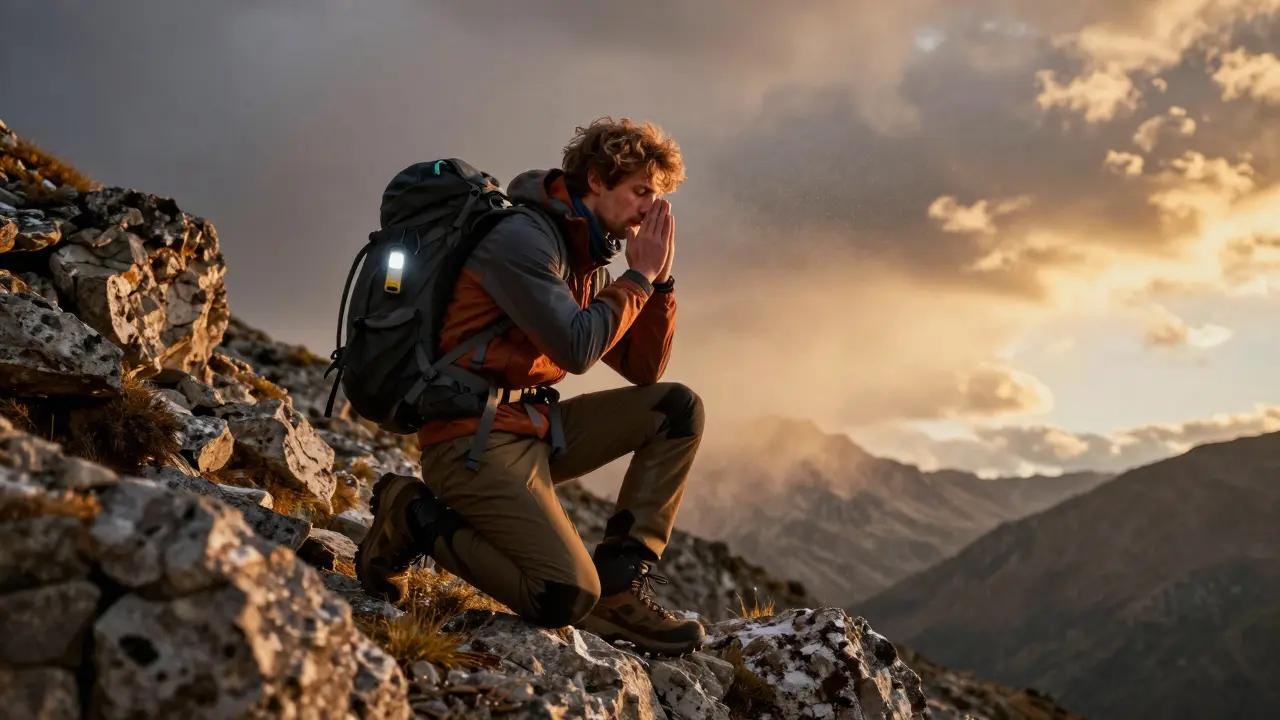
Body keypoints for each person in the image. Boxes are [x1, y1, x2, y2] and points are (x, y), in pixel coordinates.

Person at [355, 117, 707, 656]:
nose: (647, 210)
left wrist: (660, 283)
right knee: (563, 595)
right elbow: (577, 347)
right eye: (640, 192)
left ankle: (619, 589)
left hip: (532, 428)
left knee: (677, 409)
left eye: (654, 197)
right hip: (468, 440)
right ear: (596, 180)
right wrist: (638, 278)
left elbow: (643, 370)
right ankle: (412, 516)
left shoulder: (584, 253)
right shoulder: (521, 240)